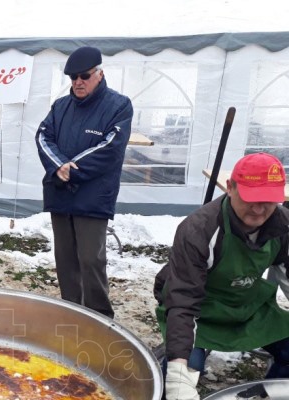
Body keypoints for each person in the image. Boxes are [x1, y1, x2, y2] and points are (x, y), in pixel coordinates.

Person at [154, 152, 289, 400]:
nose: (259, 210)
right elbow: (183, 300)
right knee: (180, 373)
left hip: (245, 306)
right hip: (200, 311)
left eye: (268, 200)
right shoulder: (198, 230)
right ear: (230, 188)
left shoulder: (283, 226)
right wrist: (178, 374)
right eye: (251, 199)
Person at [35, 46, 133, 319]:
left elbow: (111, 147)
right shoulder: (61, 106)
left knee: (91, 259)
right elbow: (43, 136)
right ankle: (72, 312)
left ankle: (100, 317)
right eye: (73, 77)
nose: (78, 82)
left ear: (99, 74)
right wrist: (59, 167)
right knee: (65, 261)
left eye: (84, 76)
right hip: (60, 192)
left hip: (93, 195)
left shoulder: (119, 105)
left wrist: (72, 169)